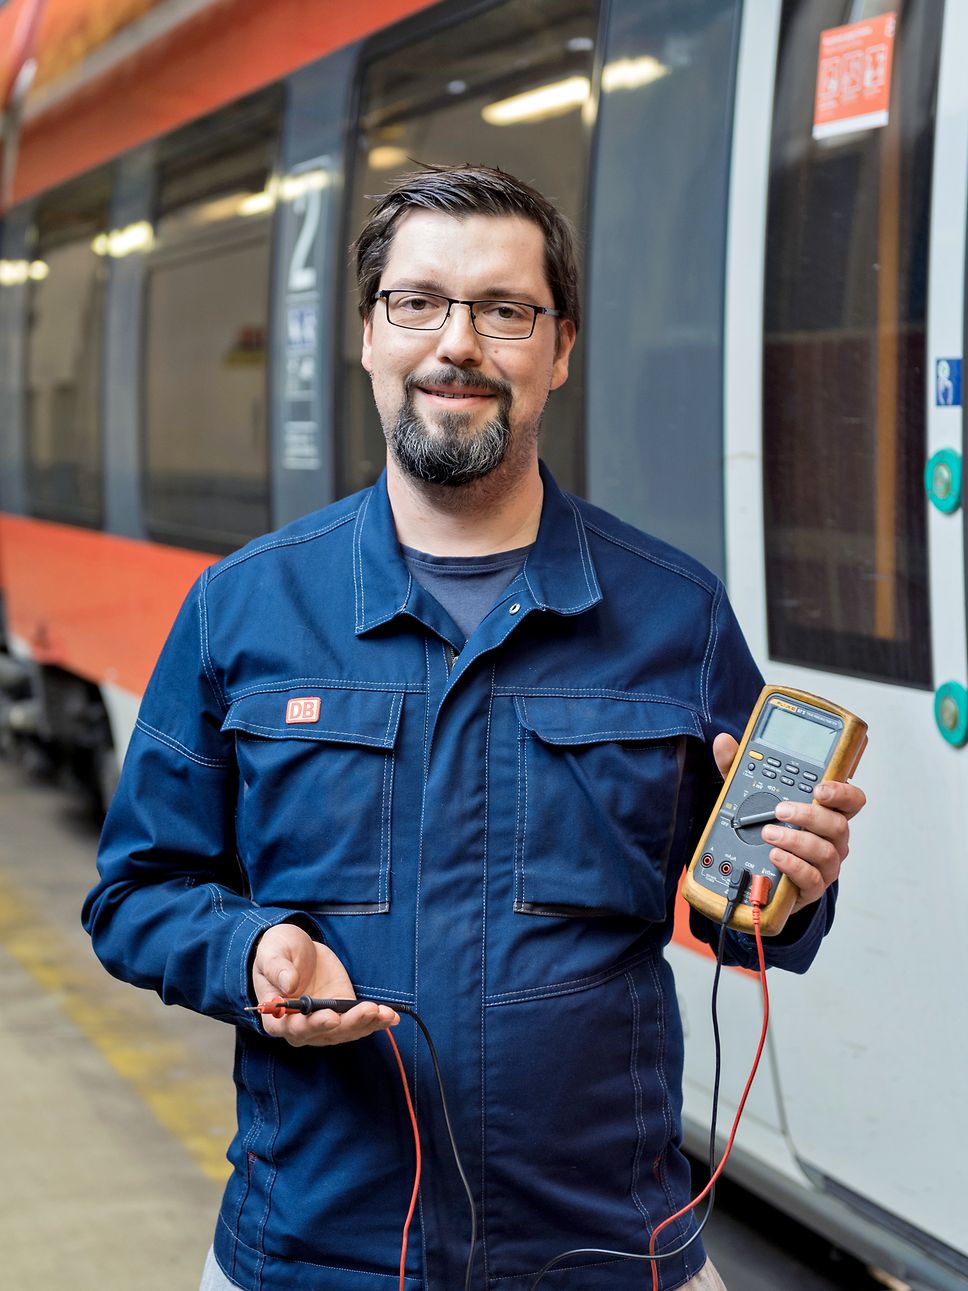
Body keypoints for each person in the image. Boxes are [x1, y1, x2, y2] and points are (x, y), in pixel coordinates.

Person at [83, 164, 866, 1291]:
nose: (457, 342)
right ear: (367, 336)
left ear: (558, 349)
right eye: (418, 303)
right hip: (312, 1255)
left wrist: (798, 877)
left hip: (607, 1252)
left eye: (504, 310)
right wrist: (247, 950)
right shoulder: (243, 608)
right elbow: (134, 893)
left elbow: (752, 917)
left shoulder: (672, 615)